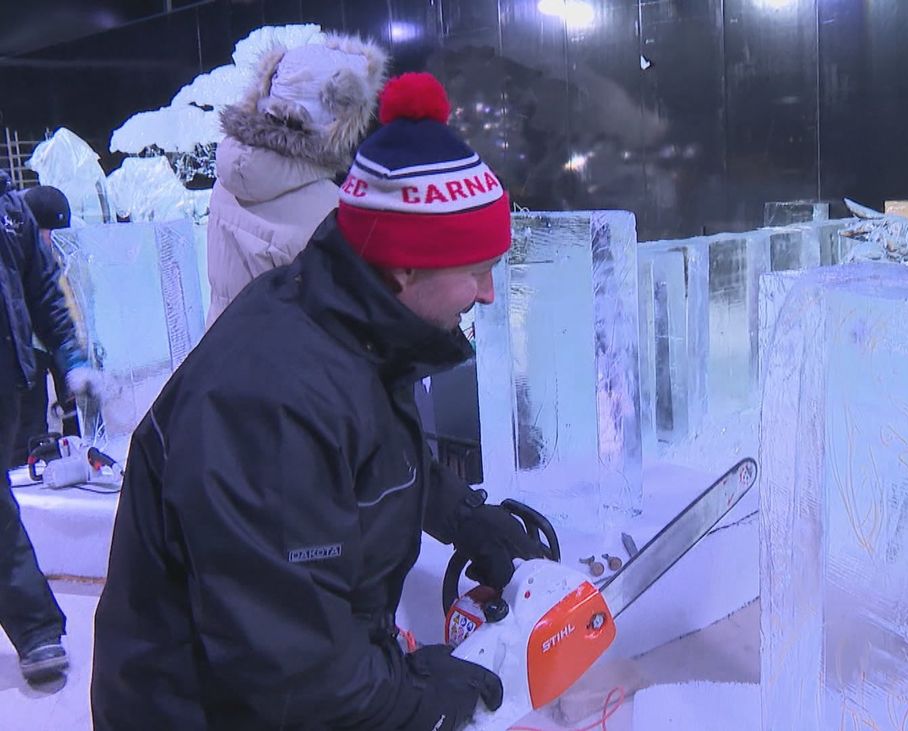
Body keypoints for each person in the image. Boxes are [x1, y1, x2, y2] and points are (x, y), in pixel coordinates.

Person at [92, 72, 547, 730]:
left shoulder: (349, 326)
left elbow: (362, 461)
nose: (487, 293)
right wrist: (424, 698)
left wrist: (465, 518)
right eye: (475, 269)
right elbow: (293, 668)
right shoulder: (268, 398)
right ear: (406, 265)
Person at [206, 33, 388, 325]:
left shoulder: (228, 180)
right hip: (290, 368)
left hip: (223, 357)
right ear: (339, 122)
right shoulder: (328, 215)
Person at [0, 173, 100, 685]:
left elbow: (45, 293)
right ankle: (36, 628)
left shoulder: (11, 212)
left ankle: (37, 629)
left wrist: (72, 358)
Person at [11, 185, 82, 469]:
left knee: (75, 401)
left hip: (61, 336)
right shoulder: (15, 252)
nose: (54, 239)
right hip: (29, 343)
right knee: (30, 411)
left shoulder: (68, 251)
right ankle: (27, 462)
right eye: (48, 231)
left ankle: (77, 452)